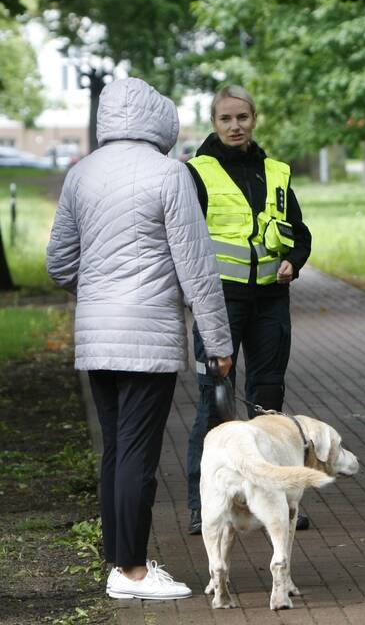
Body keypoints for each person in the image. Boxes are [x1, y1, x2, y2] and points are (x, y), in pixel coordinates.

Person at [46, 78, 234, 600]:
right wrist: (219, 343)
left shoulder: (81, 175)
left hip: (96, 336)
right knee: (138, 456)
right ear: (158, 120)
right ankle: (130, 572)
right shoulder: (169, 174)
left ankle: (118, 562)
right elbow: (198, 269)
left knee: (115, 450)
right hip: (147, 335)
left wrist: (101, 290)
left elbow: (59, 262)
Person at [184, 85, 313, 536]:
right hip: (219, 303)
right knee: (215, 403)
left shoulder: (276, 171)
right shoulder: (197, 173)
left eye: (242, 118)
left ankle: (276, 500)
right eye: (226, 119)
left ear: (254, 119)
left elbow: (300, 234)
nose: (235, 126)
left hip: (270, 302)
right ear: (214, 123)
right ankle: (206, 506)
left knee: (269, 407)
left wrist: (292, 261)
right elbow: (184, 238)